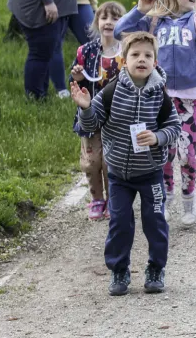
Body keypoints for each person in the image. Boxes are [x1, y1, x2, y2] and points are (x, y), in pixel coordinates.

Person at [115, 0, 196, 225]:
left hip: (190, 99)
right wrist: (140, 10)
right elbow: (119, 31)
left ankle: (189, 199)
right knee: (161, 152)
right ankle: (165, 197)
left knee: (187, 153)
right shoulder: (153, 22)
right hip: (159, 99)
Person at [72, 31, 181, 296]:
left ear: (155, 62)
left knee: (155, 222)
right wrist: (85, 108)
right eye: (135, 55)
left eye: (147, 55)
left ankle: (156, 268)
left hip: (151, 172)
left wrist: (157, 137)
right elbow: (91, 125)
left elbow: (174, 127)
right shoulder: (111, 91)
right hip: (118, 175)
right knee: (120, 222)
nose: (141, 59)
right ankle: (119, 271)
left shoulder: (159, 94)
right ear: (124, 60)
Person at [70, 1, 126, 221]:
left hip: (118, 117)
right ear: (97, 22)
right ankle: (96, 198)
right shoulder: (87, 51)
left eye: (115, 18)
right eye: (104, 18)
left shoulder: (127, 50)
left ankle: (114, 199)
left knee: (111, 161)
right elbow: (74, 79)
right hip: (91, 115)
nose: (109, 22)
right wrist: (76, 76)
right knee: (92, 161)